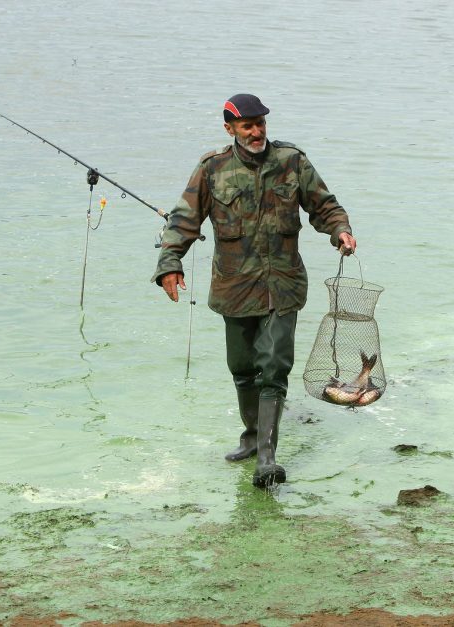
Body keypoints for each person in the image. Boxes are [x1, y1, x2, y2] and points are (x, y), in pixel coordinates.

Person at [153, 94, 357, 488]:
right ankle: (250, 439)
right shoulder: (212, 169)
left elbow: (324, 206)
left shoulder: (291, 161)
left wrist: (340, 230)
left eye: (261, 123)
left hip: (283, 284)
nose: (257, 131)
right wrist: (170, 264)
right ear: (229, 128)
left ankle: (267, 456)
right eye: (248, 125)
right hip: (234, 286)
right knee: (243, 368)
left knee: (275, 365)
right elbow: (183, 222)